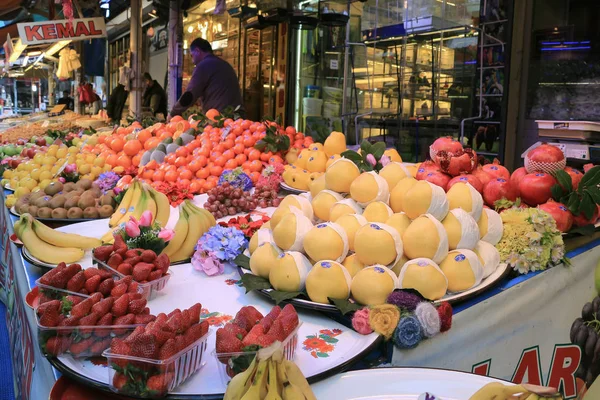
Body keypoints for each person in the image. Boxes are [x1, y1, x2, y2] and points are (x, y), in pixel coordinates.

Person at [170, 38, 244, 117]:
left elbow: (189, 95)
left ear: (198, 51)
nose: (192, 61)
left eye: (192, 55)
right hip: (237, 118)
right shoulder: (224, 64)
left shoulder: (203, 65)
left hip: (220, 118)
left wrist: (174, 112)